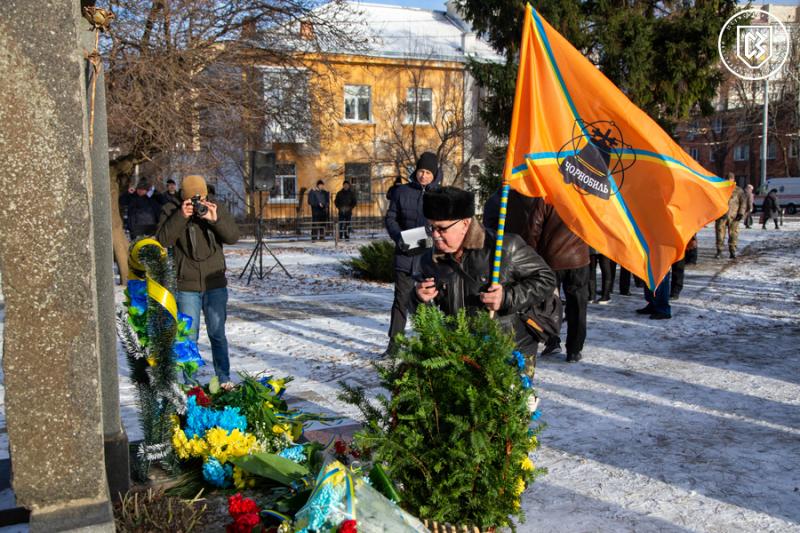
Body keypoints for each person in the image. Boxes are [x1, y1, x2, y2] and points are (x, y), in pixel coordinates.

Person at [415, 187, 557, 365]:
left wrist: (506, 297)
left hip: (510, 349)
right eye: (431, 227)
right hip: (460, 352)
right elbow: (425, 314)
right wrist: (420, 298)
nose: (435, 236)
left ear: (465, 224)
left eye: (441, 229)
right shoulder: (430, 260)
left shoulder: (504, 247)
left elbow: (546, 279)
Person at [483, 189, 589, 363]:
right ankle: (575, 349)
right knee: (578, 305)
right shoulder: (582, 195)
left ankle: (552, 340)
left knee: (549, 304)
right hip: (579, 258)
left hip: (551, 259)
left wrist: (530, 255)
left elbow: (534, 227)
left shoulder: (547, 197)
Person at [155, 175, 240, 384]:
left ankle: (224, 378)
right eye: (192, 200)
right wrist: (180, 216)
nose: (197, 203)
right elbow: (163, 240)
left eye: (200, 198)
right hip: (186, 285)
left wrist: (214, 220)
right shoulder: (171, 209)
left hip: (215, 284)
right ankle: (189, 383)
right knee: (188, 338)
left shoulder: (215, 207)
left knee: (217, 334)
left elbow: (233, 237)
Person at [384, 152, 442, 354]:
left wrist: (422, 239)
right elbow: (391, 218)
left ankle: (428, 345)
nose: (423, 176)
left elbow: (443, 227)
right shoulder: (402, 192)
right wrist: (400, 238)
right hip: (404, 255)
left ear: (435, 174)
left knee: (426, 302)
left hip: (429, 258)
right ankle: (394, 345)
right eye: (420, 171)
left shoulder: (440, 196)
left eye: (428, 172)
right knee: (401, 301)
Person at [715, 172, 746, 259]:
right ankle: (719, 251)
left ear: (733, 179)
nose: (729, 181)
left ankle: (732, 251)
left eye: (730, 179)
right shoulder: (720, 189)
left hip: (734, 216)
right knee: (720, 234)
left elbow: (743, 202)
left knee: (733, 234)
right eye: (727, 179)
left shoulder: (739, 190)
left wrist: (741, 213)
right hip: (721, 216)